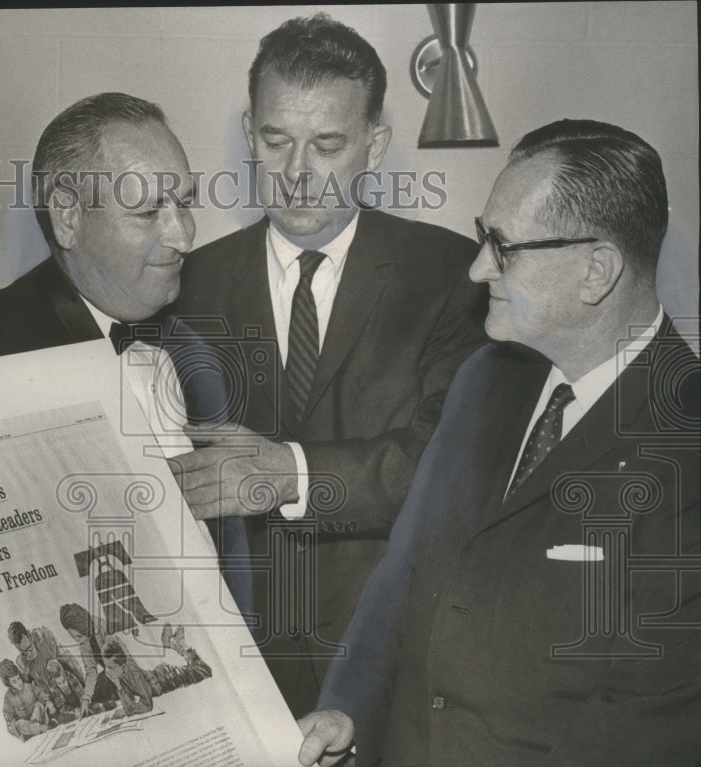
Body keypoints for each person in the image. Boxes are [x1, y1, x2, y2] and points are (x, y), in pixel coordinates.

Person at [298, 119, 701, 766]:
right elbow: (403, 573)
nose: (478, 264)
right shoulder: (485, 378)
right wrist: (349, 706)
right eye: (484, 234)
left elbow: (640, 725)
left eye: (502, 245)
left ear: (596, 270)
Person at [172, 13, 487, 715]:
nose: (297, 175)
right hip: (233, 667)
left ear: (374, 146)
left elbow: (453, 468)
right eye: (277, 141)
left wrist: (293, 471)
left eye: (328, 145)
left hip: (390, 667)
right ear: (250, 132)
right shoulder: (186, 285)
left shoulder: (451, 277)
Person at [0, 92, 252, 616]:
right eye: (148, 211)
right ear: (67, 218)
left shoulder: (194, 344)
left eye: (184, 202)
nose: (183, 236)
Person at [0, 659, 53, 741]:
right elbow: (9, 720)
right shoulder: (8, 698)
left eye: (18, 678)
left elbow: (40, 694)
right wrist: (18, 735)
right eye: (14, 681)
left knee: (38, 705)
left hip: (40, 719)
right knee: (19, 724)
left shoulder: (29, 686)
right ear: (8, 683)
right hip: (27, 728)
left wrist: (48, 702)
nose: (19, 682)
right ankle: (45, 729)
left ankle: (42, 728)